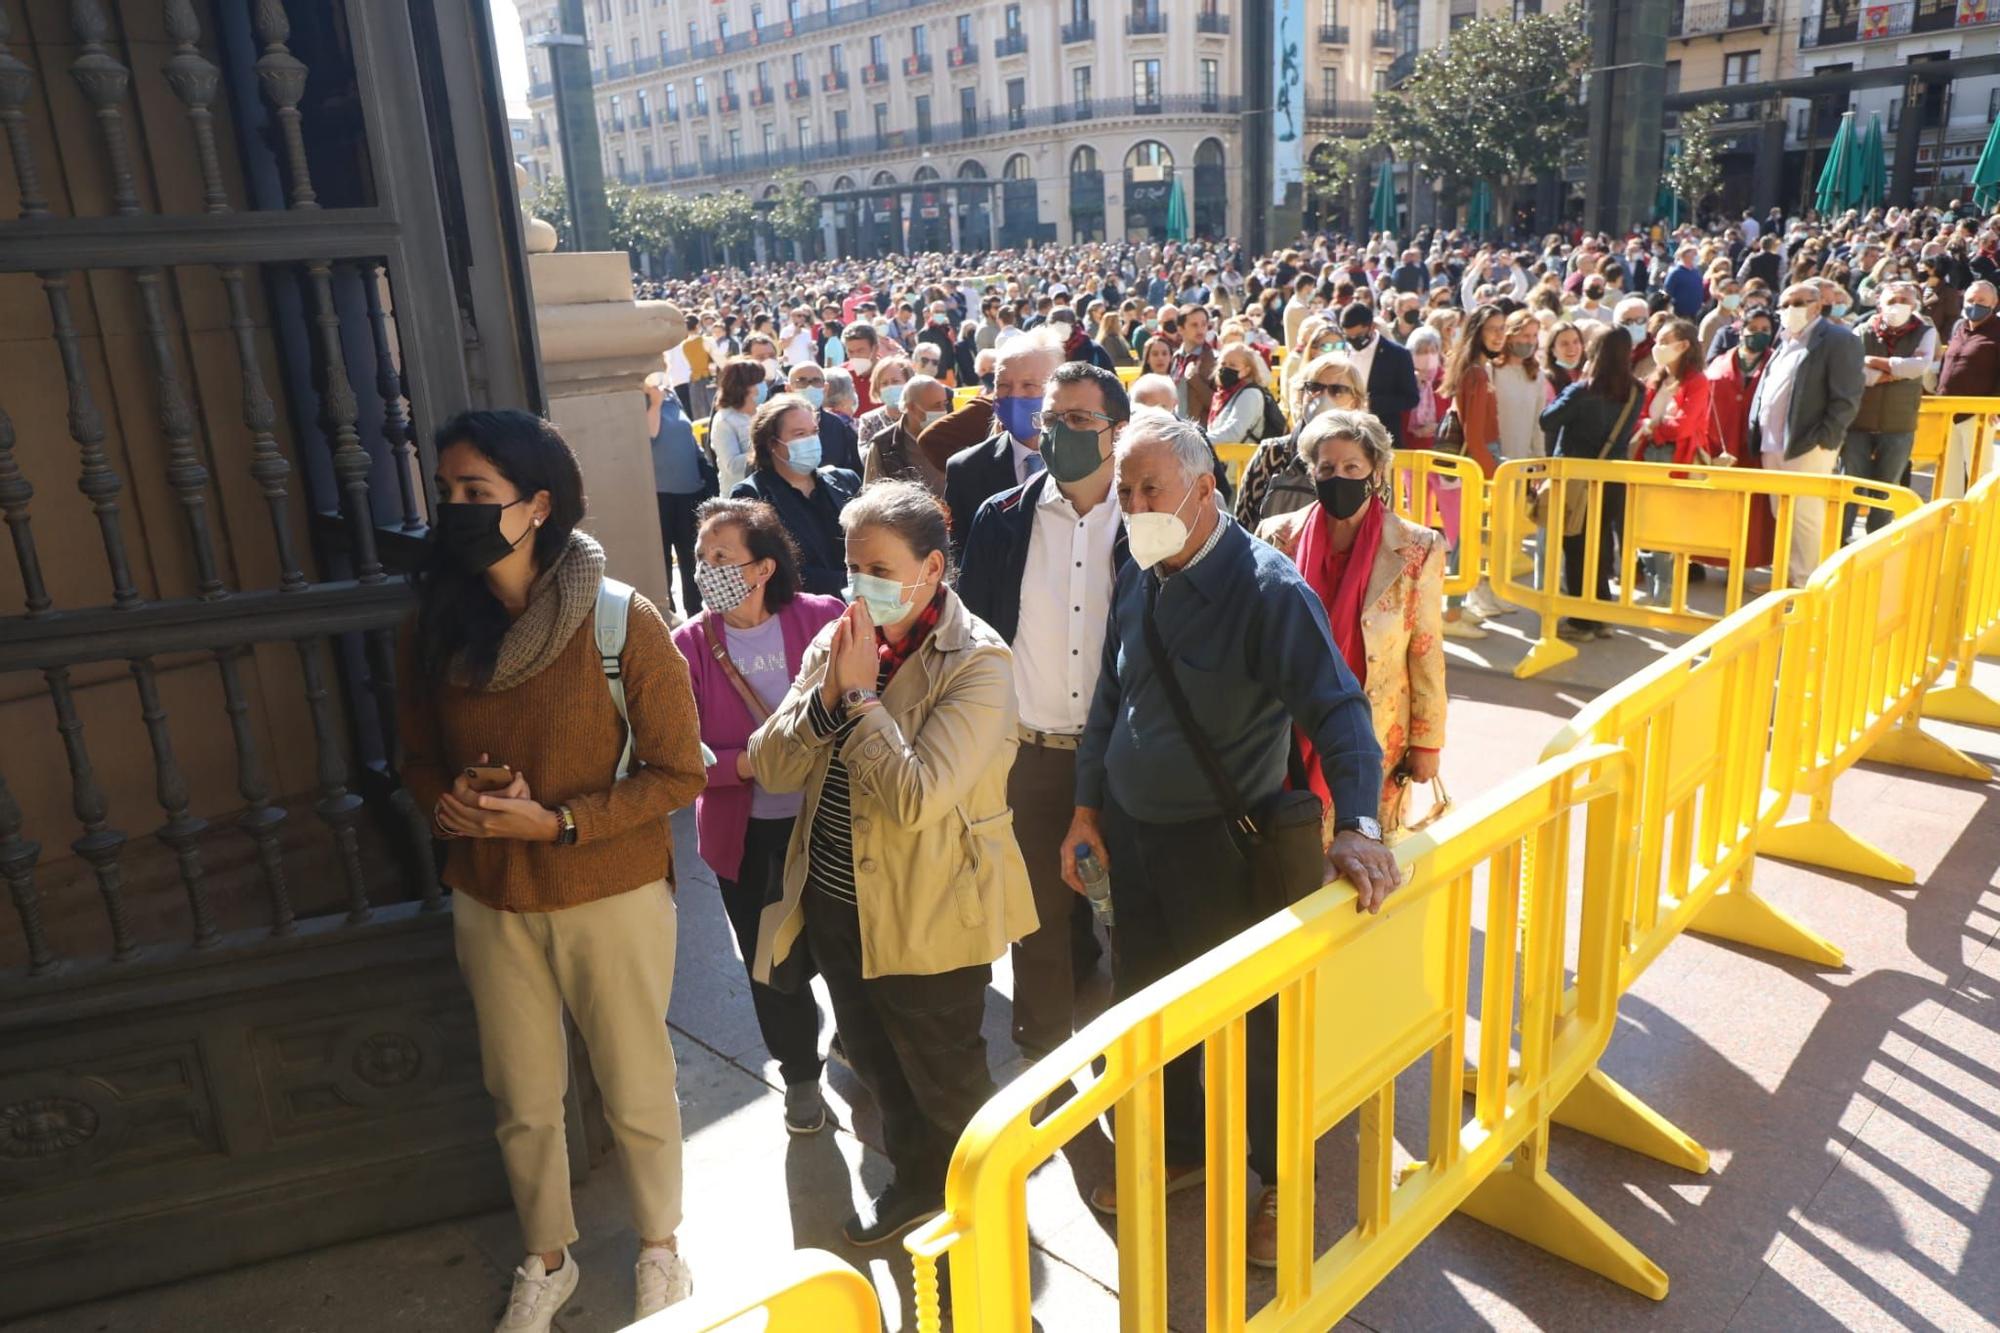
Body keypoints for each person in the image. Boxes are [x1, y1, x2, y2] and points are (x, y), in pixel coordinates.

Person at [1063, 408, 1396, 1270]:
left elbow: (1340, 711)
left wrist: (1358, 823)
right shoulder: (1136, 562)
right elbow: (1112, 691)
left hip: (1226, 850)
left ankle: (1280, 1180)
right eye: (1127, 489)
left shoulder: (1268, 588)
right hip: (1135, 841)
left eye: (1152, 489)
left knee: (1254, 1032)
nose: (1134, 504)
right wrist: (1088, 806)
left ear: (1205, 489)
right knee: (1147, 1006)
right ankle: (1180, 1143)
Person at [398, 411, 706, 1330]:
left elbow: (680, 772)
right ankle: (546, 1255)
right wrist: (447, 804)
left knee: (634, 1080)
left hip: (605, 889)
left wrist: (561, 820)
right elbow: (413, 756)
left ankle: (661, 1248)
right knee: (522, 1092)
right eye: (446, 492)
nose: (455, 510)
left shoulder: (619, 620)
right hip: (490, 895)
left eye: (476, 495)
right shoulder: (435, 626)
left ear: (535, 507)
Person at [746, 480, 1035, 1247]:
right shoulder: (838, 640)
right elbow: (768, 764)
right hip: (841, 904)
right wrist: (823, 701)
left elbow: (916, 798)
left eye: (877, 567)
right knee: (876, 1060)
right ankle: (917, 1183)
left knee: (947, 1076)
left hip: (933, 909)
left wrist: (863, 701)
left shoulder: (978, 664)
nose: (858, 585)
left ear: (931, 570)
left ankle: (989, 1212)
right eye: (850, 566)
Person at [956, 362, 1131, 1061]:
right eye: (1051, 419)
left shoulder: (1149, 520)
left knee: (1133, 920)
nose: (1057, 431)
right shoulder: (1001, 519)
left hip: (1123, 759)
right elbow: (972, 634)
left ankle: (1143, 1069)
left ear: (1116, 431)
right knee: (1036, 925)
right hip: (1028, 756)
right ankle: (1045, 1062)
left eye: (1078, 420)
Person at [672, 500, 845, 1136]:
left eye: (722, 557)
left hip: (827, 819)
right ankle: (800, 1072)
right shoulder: (686, 645)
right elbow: (675, 748)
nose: (706, 570)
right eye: (701, 558)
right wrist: (742, 765)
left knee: (845, 938)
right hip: (744, 832)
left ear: (764, 565)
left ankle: (855, 1033)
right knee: (769, 959)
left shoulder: (824, 619)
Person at [1254, 408, 1445, 829]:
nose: (1338, 476)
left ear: (1375, 472)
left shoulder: (1418, 548)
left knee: (1362, 851)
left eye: (1351, 466)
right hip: (1288, 728)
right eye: (1326, 467)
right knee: (1292, 851)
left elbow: (1426, 651)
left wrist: (1427, 742)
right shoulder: (1276, 535)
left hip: (1373, 731)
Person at [1750, 282, 1865, 586]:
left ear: (1816, 306)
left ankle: (1806, 586)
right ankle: (1785, 578)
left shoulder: (1838, 340)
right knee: (1782, 514)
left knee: (1805, 518)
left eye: (1798, 303)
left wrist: (1825, 440)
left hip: (1808, 445)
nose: (1790, 310)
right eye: (1785, 304)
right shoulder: (1783, 340)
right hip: (1773, 444)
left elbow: (1846, 398)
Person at [1541, 326, 1641, 640]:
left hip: (1576, 476)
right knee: (1600, 546)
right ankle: (1602, 615)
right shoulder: (1637, 390)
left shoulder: (1582, 391)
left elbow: (1548, 420)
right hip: (1612, 478)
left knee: (1576, 545)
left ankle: (1582, 622)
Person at [729, 393, 862, 597]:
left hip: (861, 603)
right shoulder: (751, 495)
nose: (811, 440)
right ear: (772, 443)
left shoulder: (845, 481)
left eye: (814, 432)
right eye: (800, 434)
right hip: (802, 611)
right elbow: (773, 569)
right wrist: (847, 584)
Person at [944, 332, 1061, 559]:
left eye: (1029, 385)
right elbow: (961, 562)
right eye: (1004, 385)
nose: (1015, 395)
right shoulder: (966, 470)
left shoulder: (1091, 460)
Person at [1842, 282, 1935, 538]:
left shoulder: (1924, 331)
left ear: (1915, 305)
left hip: (1899, 425)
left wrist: (1874, 362)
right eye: (1893, 300)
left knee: (1887, 488)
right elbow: (1853, 371)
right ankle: (1839, 540)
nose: (1899, 305)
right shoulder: (1862, 331)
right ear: (1880, 303)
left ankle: (1877, 541)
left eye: (1905, 300)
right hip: (1858, 423)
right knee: (1850, 485)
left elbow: (1919, 366)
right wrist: (1894, 372)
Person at [1234, 351, 1365, 528]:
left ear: (1355, 402)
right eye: (1314, 388)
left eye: (1337, 390)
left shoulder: (1367, 460)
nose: (1323, 397)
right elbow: (1243, 525)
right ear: (1300, 395)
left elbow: (1375, 530)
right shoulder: (1272, 453)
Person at [1706, 306, 1779, 570]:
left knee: (1755, 514)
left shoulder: (1777, 362)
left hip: (1757, 450)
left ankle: (1744, 564)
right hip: (1724, 450)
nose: (1758, 334)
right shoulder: (1720, 363)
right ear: (1741, 329)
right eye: (1753, 328)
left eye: (1765, 330)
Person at [648, 376, 711, 617]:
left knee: (690, 554)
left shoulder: (671, 393)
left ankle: (695, 612)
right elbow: (649, 434)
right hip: (659, 494)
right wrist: (654, 401)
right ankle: (668, 615)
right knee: (662, 556)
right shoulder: (642, 396)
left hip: (690, 490)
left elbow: (687, 434)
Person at [1936, 280, 2000, 495]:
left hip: (1978, 414)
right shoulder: (1959, 328)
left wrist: (1994, 404)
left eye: (1981, 300)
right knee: (1947, 475)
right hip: (1947, 413)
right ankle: (1949, 523)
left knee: (1978, 476)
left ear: (1994, 302)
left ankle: (1979, 525)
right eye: (1971, 300)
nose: (1975, 304)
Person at [1340, 302, 1420, 446]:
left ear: (1371, 327)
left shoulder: (1397, 355)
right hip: (1345, 432)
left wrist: (1372, 403)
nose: (1353, 341)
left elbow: (1411, 398)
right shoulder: (1341, 350)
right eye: (1348, 337)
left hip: (1381, 435)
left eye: (1358, 336)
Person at [863, 373, 951, 493]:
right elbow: (872, 498)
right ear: (912, 407)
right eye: (936, 406)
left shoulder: (952, 436)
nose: (943, 411)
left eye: (944, 404)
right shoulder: (884, 446)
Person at [711, 357, 766, 494]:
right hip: (739, 497)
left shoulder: (761, 413)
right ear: (743, 386)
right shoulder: (725, 421)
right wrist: (766, 451)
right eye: (758, 381)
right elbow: (732, 465)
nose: (763, 385)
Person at [1207, 342, 1279, 445]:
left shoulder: (1250, 394)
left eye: (1233, 365)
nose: (1225, 368)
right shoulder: (1221, 395)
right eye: (1223, 364)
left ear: (1246, 370)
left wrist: (1201, 440)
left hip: (1242, 459)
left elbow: (1234, 433)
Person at [854, 355, 914, 452]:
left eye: (895, 381)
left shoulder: (919, 416)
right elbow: (866, 458)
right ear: (877, 388)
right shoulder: (869, 421)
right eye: (884, 383)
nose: (890, 387)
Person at [1172, 303, 1219, 422]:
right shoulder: (1175, 358)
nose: (1200, 330)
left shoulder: (1216, 360)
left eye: (1204, 324)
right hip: (1176, 430)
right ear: (1180, 329)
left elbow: (1219, 406)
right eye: (1194, 325)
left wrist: (1195, 380)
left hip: (1200, 432)